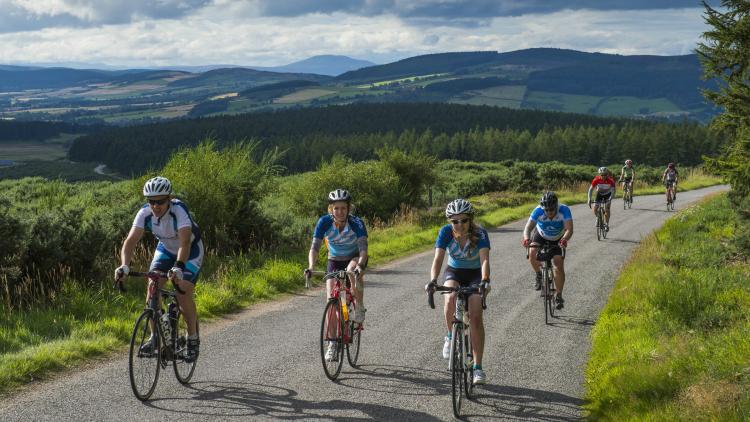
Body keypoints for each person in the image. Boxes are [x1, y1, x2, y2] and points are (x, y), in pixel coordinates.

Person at [115, 176, 204, 363]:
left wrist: (179, 267)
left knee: (183, 291)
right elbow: (130, 241)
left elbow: (185, 242)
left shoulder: (179, 211)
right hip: (165, 249)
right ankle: (156, 337)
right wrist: (124, 266)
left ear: (169, 198)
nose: (156, 206)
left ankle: (192, 339)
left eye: (160, 201)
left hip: (189, 250)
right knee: (152, 289)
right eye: (151, 201)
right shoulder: (144, 213)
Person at [427, 199, 490, 385]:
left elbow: (485, 260)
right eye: (455, 221)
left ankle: (478, 368)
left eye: (463, 220)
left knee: (476, 315)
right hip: (454, 271)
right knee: (450, 298)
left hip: (476, 274)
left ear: (470, 220)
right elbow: (438, 259)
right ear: (450, 222)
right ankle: (449, 336)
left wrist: (485, 281)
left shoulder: (480, 233)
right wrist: (432, 280)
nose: (459, 225)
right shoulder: (445, 232)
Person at [305, 189, 369, 362]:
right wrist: (311, 266)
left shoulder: (356, 223)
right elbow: (315, 248)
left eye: (343, 208)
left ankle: (359, 305)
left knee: (351, 271)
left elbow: (364, 250)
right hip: (333, 259)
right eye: (336, 208)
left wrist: (360, 265)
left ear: (348, 209)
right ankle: (332, 344)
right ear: (331, 209)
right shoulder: (324, 222)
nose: (340, 212)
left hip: (354, 257)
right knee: (331, 303)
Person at [522, 192, 573, 310]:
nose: (549, 212)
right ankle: (539, 275)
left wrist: (565, 239)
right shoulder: (538, 211)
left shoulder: (564, 210)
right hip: (541, 235)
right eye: (547, 210)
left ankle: (559, 295)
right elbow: (528, 228)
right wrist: (526, 239)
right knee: (532, 253)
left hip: (558, 238)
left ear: (556, 206)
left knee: (558, 264)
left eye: (552, 209)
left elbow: (569, 229)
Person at [587, 167, 616, 231]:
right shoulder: (596, 179)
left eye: (605, 174)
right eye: (602, 175)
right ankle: (599, 218)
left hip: (608, 195)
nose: (603, 176)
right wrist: (589, 199)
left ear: (607, 174)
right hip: (599, 194)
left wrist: (610, 199)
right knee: (595, 209)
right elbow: (590, 189)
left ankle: (607, 224)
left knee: (607, 209)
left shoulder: (611, 181)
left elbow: (613, 191)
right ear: (599, 175)